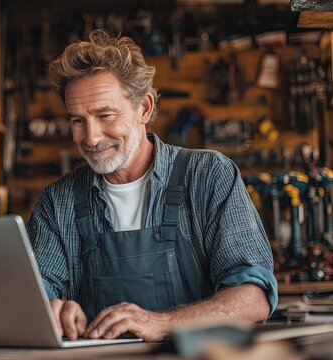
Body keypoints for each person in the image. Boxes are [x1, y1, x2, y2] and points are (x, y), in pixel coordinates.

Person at [26, 29, 278, 342]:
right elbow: (33, 299)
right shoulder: (58, 201)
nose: (90, 137)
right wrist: (53, 310)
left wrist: (163, 323)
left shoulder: (208, 175)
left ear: (144, 108)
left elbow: (254, 295)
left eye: (105, 115)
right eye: (78, 120)